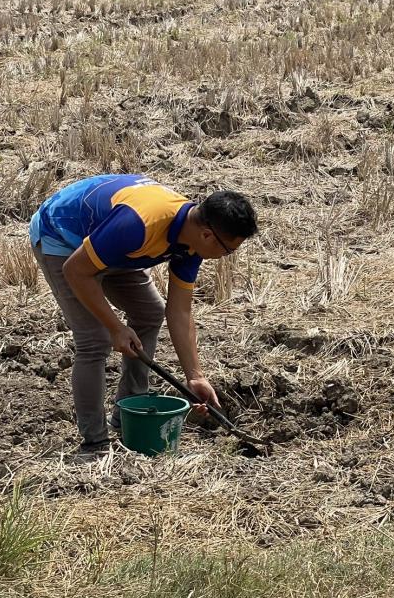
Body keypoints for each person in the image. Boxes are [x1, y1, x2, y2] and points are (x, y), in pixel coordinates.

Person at [29, 174, 257, 452]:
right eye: (228, 250)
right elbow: (76, 271)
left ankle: (128, 416)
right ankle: (95, 442)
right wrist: (115, 327)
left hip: (110, 245)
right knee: (95, 340)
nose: (226, 257)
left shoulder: (192, 241)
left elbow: (180, 311)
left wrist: (195, 375)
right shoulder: (138, 225)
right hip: (63, 238)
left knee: (150, 312)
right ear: (208, 234)